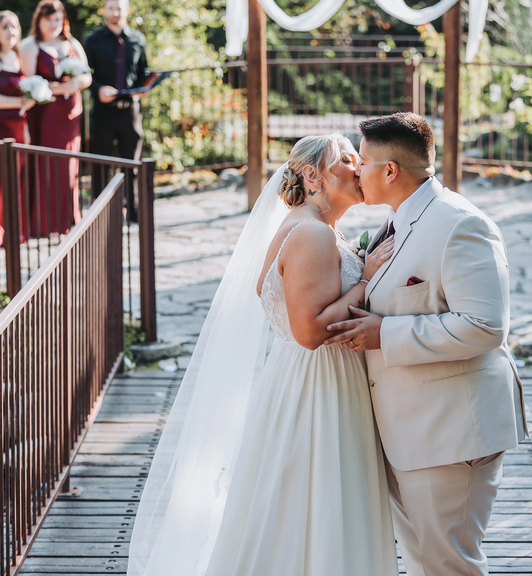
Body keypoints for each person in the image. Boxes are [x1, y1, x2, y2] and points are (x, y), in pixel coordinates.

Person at [127, 134, 399, 576]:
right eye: (348, 159)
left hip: (308, 378)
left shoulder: (318, 228)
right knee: (320, 495)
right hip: (319, 385)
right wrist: (367, 280)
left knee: (302, 497)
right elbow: (309, 331)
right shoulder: (311, 232)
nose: (359, 166)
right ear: (313, 175)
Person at [324, 112, 528, 576]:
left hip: (452, 434)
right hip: (408, 433)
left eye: (364, 162)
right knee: (421, 563)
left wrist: (384, 333)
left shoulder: (460, 224)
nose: (356, 171)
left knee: (449, 565)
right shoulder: (397, 219)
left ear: (390, 171)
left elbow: (485, 326)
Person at [20, 0, 91, 237]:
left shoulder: (72, 43)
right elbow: (29, 83)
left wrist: (76, 83)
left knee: (69, 164)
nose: (53, 24)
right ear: (39, 21)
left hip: (71, 117)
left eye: (57, 19)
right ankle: (45, 223)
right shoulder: (30, 46)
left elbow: (87, 77)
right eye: (48, 19)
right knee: (48, 164)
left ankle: (68, 220)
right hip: (46, 115)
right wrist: (62, 88)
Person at [84, 0, 150, 219]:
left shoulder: (138, 39)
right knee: (101, 163)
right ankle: (101, 214)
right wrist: (98, 88)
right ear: (104, 10)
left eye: (120, 7)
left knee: (132, 163)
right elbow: (85, 74)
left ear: (127, 10)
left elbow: (143, 71)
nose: (116, 12)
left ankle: (132, 210)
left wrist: (144, 87)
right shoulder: (92, 41)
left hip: (130, 111)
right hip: (104, 111)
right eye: (111, 7)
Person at [0, 10, 35, 245]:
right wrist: (19, 103)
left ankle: (15, 229)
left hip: (19, 126)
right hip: (0, 127)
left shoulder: (19, 58)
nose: (10, 31)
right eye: (4, 27)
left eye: (13, 26)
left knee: (17, 179)